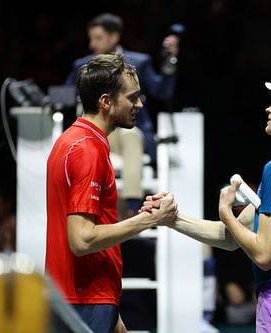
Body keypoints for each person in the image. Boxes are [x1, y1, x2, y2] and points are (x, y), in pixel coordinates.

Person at [142, 77, 271, 332]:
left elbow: (264, 255)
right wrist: (172, 219)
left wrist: (225, 211)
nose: (268, 109)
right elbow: (230, 237)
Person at [45, 53, 178, 333]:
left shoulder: (73, 140)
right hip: (84, 300)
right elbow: (81, 240)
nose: (139, 104)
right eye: (132, 98)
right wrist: (148, 220)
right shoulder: (87, 150)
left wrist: (111, 306)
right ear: (106, 102)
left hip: (85, 298)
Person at [65, 12, 180, 217]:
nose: (92, 44)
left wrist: (169, 63)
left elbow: (162, 91)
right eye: (90, 38)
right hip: (97, 129)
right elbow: (63, 97)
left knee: (130, 136)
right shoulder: (83, 66)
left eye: (98, 38)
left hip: (128, 130)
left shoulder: (139, 62)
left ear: (114, 37)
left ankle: (133, 208)